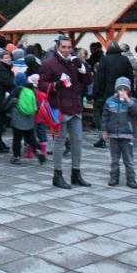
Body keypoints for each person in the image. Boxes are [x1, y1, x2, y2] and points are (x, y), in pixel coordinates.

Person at [39, 35, 93, 189]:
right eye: (64, 47)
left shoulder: (75, 61)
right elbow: (41, 84)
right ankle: (57, 175)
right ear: (58, 47)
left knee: (77, 141)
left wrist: (82, 67)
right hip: (60, 107)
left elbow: (88, 80)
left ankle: (76, 173)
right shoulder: (49, 63)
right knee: (59, 141)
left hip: (75, 106)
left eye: (69, 47)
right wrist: (55, 85)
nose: (67, 50)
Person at [92, 41, 134, 148]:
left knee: (106, 115)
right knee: (124, 114)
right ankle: (126, 137)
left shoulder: (104, 60)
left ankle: (103, 138)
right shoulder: (125, 59)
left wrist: (101, 92)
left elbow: (100, 78)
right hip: (123, 91)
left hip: (109, 91)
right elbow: (130, 76)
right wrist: (129, 91)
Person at [101, 77, 137, 188]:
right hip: (113, 134)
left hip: (127, 134)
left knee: (128, 159)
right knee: (114, 159)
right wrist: (104, 131)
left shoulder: (132, 101)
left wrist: (128, 100)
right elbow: (105, 117)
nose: (122, 91)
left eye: (125, 89)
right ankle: (114, 177)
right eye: (120, 89)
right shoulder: (110, 101)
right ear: (116, 89)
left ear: (129, 91)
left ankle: (131, 179)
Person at [5, 73, 46, 165]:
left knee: (17, 139)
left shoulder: (15, 91)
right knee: (31, 138)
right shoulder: (30, 90)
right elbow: (36, 104)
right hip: (29, 120)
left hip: (17, 121)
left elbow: (7, 104)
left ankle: (16, 156)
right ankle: (38, 150)